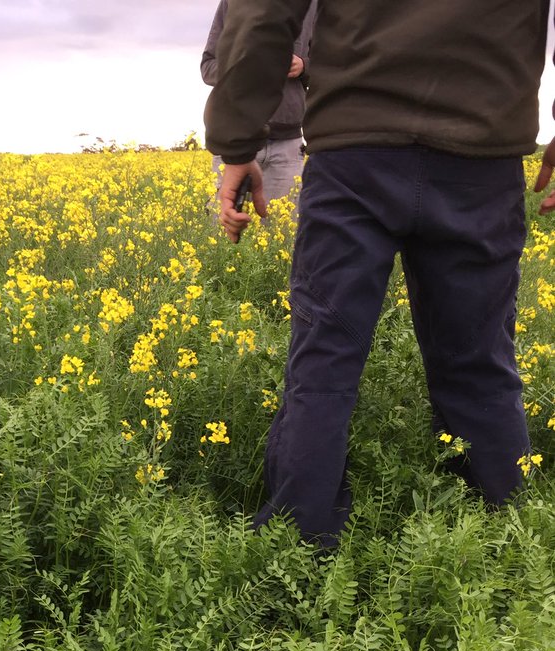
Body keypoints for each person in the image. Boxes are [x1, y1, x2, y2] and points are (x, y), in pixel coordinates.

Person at [204, 0, 555, 548]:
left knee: (324, 357)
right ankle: (507, 545)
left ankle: (297, 550)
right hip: (482, 151)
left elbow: (263, 11)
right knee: (480, 359)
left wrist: (237, 140)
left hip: (354, 150)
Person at [201, 0, 316, 209]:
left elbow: (335, 68)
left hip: (287, 144)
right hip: (234, 141)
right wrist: (249, 66)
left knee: (280, 234)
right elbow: (208, 66)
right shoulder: (232, 3)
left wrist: (304, 66)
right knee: (221, 231)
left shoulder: (316, 5)